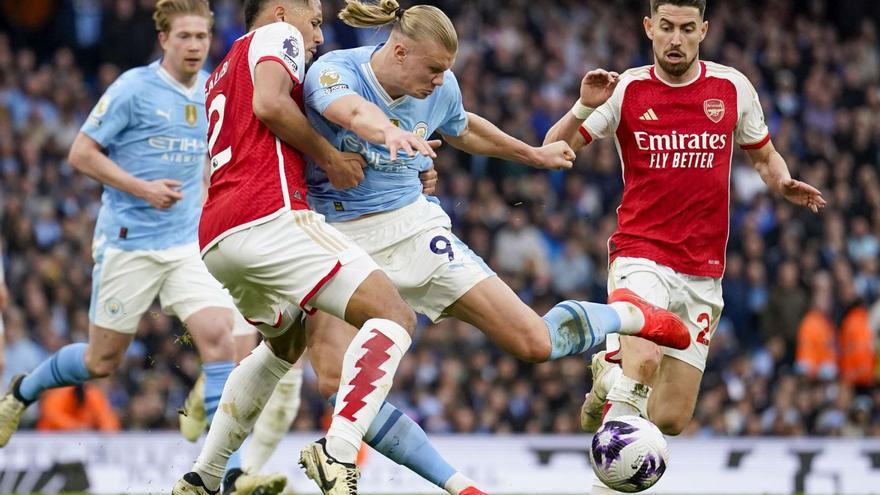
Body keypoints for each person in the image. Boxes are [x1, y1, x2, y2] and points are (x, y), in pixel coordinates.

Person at [180, 1, 691, 494]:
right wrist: (389, 135)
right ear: (399, 51)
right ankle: (457, 486)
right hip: (337, 237)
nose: (441, 80)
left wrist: (530, 154)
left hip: (414, 230)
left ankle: (629, 316)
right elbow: (351, 112)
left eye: (447, 70)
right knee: (335, 383)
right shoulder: (334, 69)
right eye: (433, 68)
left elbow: (464, 125)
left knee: (534, 342)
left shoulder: (439, 88)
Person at [543, 1, 826, 493]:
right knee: (645, 362)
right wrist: (583, 105)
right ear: (649, 27)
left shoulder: (731, 88)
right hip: (640, 254)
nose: (676, 39)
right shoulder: (626, 88)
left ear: (704, 31)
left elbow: (765, 156)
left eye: (687, 29)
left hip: (703, 270)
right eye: (667, 28)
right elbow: (553, 148)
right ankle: (605, 477)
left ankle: (607, 375)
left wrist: (781, 183)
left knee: (670, 419)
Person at [172, 0, 437, 493]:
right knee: (395, 315)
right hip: (270, 217)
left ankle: (205, 475)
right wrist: (331, 158)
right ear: (279, 13)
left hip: (217, 234)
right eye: (314, 22)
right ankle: (339, 452)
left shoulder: (224, 66)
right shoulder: (278, 37)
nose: (317, 37)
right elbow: (270, 105)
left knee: (283, 346)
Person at [0, 0, 261, 485]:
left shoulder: (212, 91)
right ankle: (22, 390)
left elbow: (208, 159)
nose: (193, 46)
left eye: (201, 38)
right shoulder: (133, 89)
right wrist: (142, 188)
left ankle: (230, 475)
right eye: (184, 37)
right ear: (164, 40)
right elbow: (81, 153)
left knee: (220, 340)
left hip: (185, 244)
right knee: (102, 361)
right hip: (129, 242)